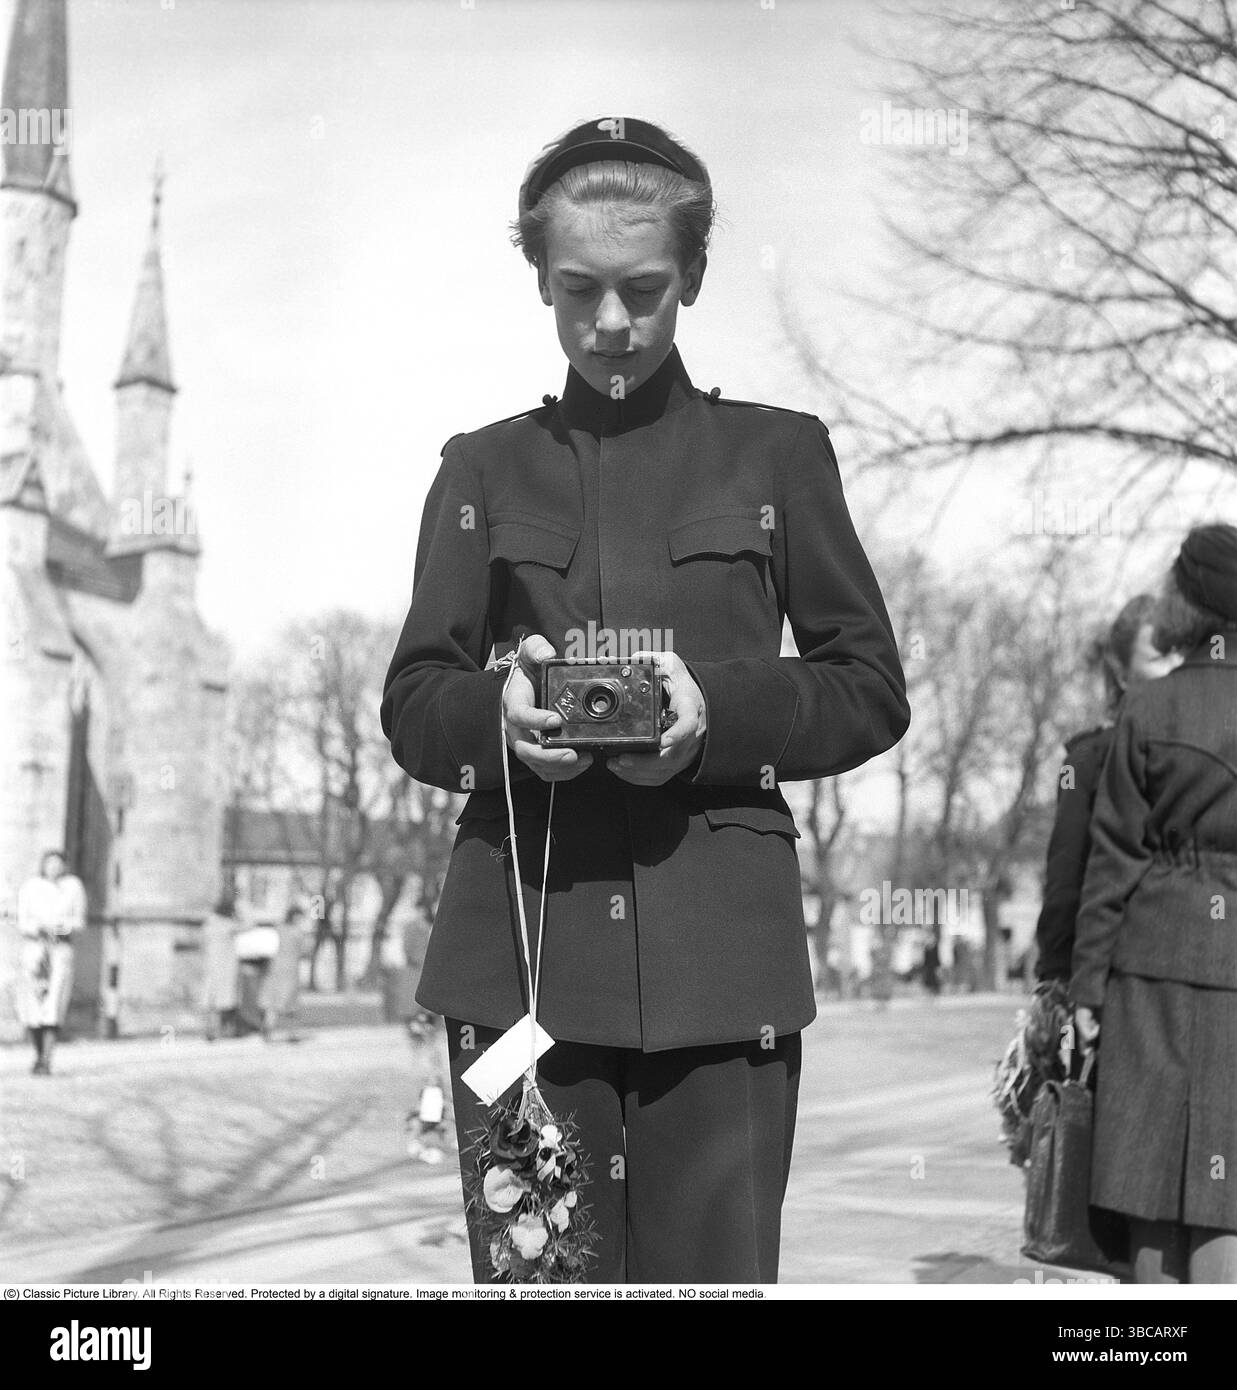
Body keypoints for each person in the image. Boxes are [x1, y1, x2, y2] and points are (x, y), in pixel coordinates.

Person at [381, 117, 909, 1283]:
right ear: (538, 280)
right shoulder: (479, 469)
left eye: (644, 290)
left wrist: (719, 712)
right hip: (517, 971)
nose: (612, 324)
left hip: (723, 984)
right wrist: (500, 724)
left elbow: (868, 685)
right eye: (578, 291)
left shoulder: (777, 455)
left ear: (696, 278)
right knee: (540, 1284)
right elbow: (415, 700)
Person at [1072, 523, 1237, 1283]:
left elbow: (1112, 858)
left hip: (1150, 962)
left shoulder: (1148, 707)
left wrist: (1084, 990)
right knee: (1224, 1191)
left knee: (1146, 1186)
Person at [1034, 594, 1181, 985]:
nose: (1174, 669)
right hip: (1116, 974)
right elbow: (1066, 880)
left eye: (1180, 655)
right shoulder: (1085, 764)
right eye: (1158, 658)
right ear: (1121, 675)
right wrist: (1056, 977)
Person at [17, 849, 86, 1075]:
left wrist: (59, 928)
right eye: (50, 863)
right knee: (34, 1005)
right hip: (35, 951)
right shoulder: (31, 887)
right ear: (43, 865)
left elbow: (79, 920)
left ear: (64, 866)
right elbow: (22, 920)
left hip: (60, 951)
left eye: (58, 864)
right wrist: (38, 928)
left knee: (53, 1004)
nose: (54, 868)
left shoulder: (73, 886)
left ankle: (47, 1059)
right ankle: (37, 1055)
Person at [201, 890, 242, 1040]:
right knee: (220, 1001)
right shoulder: (227, 925)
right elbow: (249, 925)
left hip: (210, 964)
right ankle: (217, 1031)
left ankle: (209, 1029)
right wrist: (241, 910)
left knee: (209, 999)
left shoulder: (209, 923)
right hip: (224, 966)